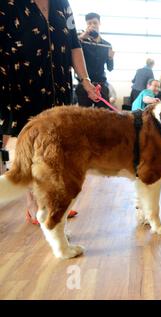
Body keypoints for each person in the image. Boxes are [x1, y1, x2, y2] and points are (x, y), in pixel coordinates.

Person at [0, 0, 99, 223]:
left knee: (57, 145)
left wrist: (85, 80)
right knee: (27, 145)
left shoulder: (62, 5)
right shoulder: (8, 4)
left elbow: (74, 45)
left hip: (59, 85)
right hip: (20, 85)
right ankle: (33, 204)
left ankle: (53, 200)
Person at [76, 12, 114, 108]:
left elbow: (110, 68)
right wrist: (83, 36)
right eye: (89, 23)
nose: (92, 25)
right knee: (83, 116)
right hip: (84, 85)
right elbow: (70, 46)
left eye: (95, 23)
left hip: (101, 85)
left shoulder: (107, 45)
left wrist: (110, 58)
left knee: (104, 116)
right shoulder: (81, 41)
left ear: (99, 24)